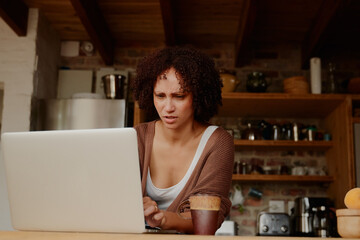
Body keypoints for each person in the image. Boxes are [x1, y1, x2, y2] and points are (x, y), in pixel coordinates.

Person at [131, 46, 234, 234]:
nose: (168, 107)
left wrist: (161, 218)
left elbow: (209, 217)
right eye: (160, 96)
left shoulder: (217, 142)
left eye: (179, 96)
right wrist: (131, 205)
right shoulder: (136, 137)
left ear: (198, 96)